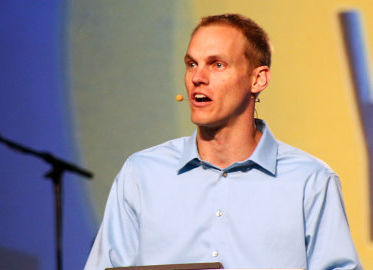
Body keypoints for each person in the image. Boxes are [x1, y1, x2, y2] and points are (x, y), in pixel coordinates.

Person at [84, 13, 362, 270]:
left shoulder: (309, 181)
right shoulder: (142, 174)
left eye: (217, 64)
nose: (197, 78)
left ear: (258, 79)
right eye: (191, 64)